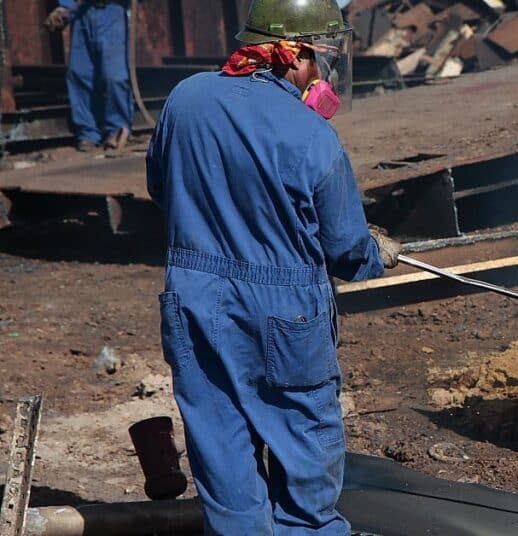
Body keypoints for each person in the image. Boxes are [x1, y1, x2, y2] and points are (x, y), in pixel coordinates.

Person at [145, 0, 400, 533]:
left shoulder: (185, 98)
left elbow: (160, 186)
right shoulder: (311, 134)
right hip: (285, 312)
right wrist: (378, 250)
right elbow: (348, 252)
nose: (322, 75)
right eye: (321, 60)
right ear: (295, 56)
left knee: (222, 457)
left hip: (194, 298)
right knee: (305, 460)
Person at [45, 0, 133, 151]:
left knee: (114, 76)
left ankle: (117, 129)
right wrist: (64, 8)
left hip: (112, 12)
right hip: (82, 13)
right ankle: (88, 133)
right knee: (79, 73)